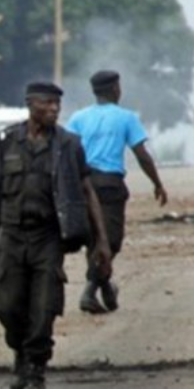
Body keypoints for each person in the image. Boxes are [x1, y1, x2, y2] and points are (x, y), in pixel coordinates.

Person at [0, 82, 113, 389]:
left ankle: (34, 368)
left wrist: (101, 241)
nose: (54, 109)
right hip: (11, 235)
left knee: (44, 305)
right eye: (48, 103)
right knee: (9, 305)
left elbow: (86, 190)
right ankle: (20, 352)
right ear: (30, 104)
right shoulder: (4, 143)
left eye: (57, 105)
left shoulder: (69, 145)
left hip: (48, 237)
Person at [66, 70, 168, 314]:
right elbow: (141, 154)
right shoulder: (127, 118)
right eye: (119, 86)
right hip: (109, 185)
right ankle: (91, 291)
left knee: (94, 239)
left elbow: (67, 152)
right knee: (111, 240)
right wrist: (157, 183)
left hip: (83, 183)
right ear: (114, 89)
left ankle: (107, 288)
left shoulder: (78, 118)